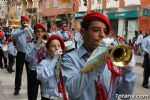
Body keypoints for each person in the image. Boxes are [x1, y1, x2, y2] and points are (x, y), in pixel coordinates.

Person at [61, 12, 136, 100]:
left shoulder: (112, 60)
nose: (102, 35)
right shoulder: (69, 58)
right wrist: (98, 61)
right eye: (96, 30)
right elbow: (73, 90)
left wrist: (128, 71)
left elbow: (125, 95)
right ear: (83, 32)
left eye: (105, 31)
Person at [36, 35, 66, 100]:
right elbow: (42, 76)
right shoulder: (44, 62)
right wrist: (55, 60)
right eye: (53, 46)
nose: (57, 48)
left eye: (59, 46)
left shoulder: (65, 62)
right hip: (49, 98)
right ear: (48, 50)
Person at [12, 16, 34, 95]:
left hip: (29, 53)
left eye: (26, 21)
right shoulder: (17, 30)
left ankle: (30, 88)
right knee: (18, 72)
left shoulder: (30, 30)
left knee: (30, 73)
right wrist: (23, 31)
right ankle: (17, 88)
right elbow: (13, 36)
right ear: (21, 22)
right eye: (23, 21)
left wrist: (29, 29)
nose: (24, 22)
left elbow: (35, 36)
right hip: (20, 53)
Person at [25, 22, 47, 100]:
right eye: (37, 31)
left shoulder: (47, 43)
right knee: (32, 95)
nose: (40, 33)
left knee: (45, 95)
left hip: (45, 71)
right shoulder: (29, 44)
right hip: (33, 71)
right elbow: (27, 58)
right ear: (34, 33)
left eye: (41, 31)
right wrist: (36, 47)